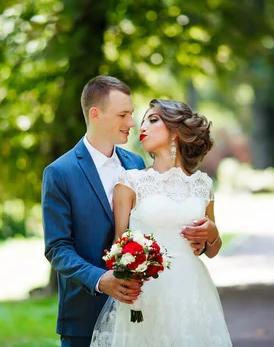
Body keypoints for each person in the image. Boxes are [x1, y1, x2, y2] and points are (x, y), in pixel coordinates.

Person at [42, 77, 214, 347]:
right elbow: (57, 247)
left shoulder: (136, 164)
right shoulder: (60, 173)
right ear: (95, 114)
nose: (132, 123)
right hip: (85, 312)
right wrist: (100, 279)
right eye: (123, 115)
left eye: (132, 114)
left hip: (145, 308)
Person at [90, 99, 233, 347]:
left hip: (192, 292)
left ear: (176, 130)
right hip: (146, 294)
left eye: (153, 119)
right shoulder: (130, 182)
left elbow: (212, 250)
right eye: (143, 120)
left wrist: (212, 232)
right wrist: (126, 273)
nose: (142, 126)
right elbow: (118, 244)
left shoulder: (202, 185)